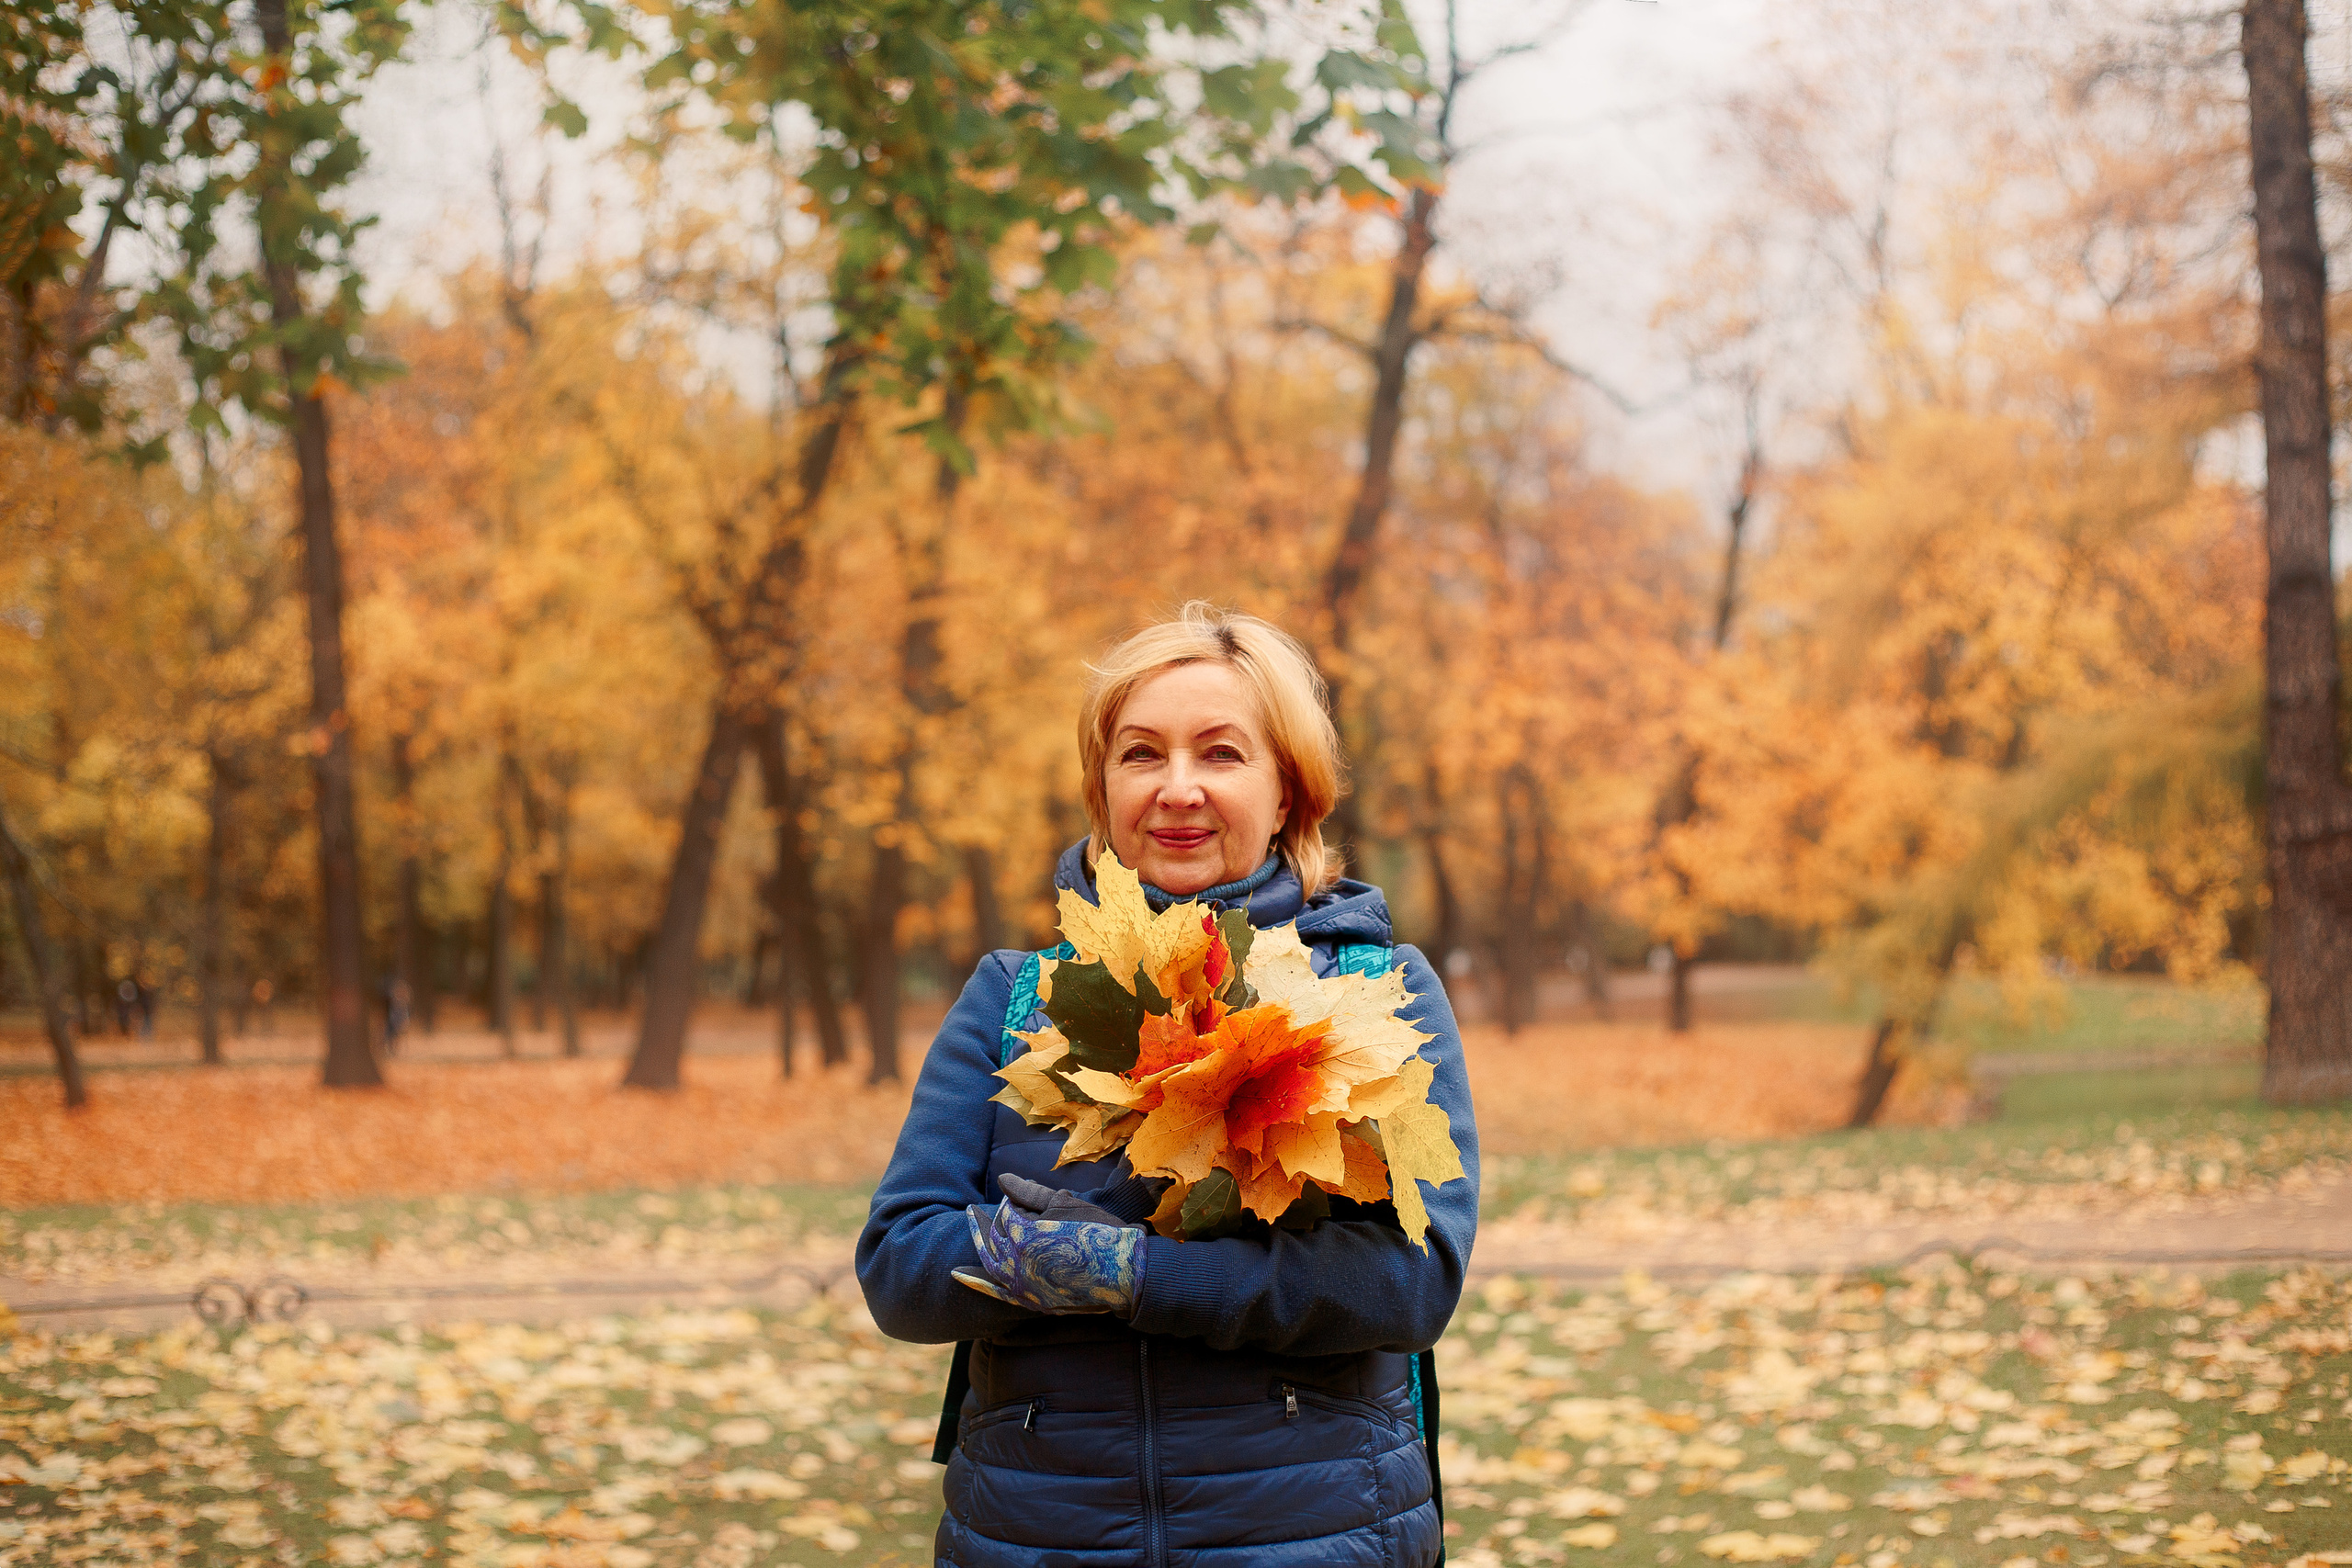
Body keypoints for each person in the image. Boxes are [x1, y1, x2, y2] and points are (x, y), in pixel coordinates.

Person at [858, 603, 1478, 1568]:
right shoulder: (1013, 997)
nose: (1176, 789)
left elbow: (1409, 1281)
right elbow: (900, 1267)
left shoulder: (1374, 992)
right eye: (1140, 754)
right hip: (1036, 1537)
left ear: (1287, 794)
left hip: (1312, 1536)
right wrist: (1033, 1258)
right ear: (1102, 790)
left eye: (1222, 754)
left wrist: (1137, 1279)